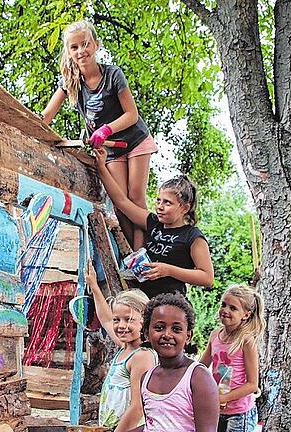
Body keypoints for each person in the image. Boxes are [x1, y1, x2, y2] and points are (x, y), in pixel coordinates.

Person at [41, 19, 158, 250]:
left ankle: (145, 252)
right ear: (69, 52)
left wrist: (105, 129)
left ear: (96, 45)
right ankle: (135, 254)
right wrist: (32, 125)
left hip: (134, 141)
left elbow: (132, 115)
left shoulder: (113, 75)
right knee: (119, 202)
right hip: (111, 149)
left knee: (135, 197)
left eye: (85, 44)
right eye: (74, 47)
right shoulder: (71, 82)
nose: (81, 51)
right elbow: (46, 115)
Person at [95, 146, 214, 300]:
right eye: (158, 200)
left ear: (185, 208)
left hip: (170, 304)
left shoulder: (192, 236)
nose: (160, 206)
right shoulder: (152, 222)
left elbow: (207, 278)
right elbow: (121, 201)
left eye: (167, 203)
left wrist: (168, 270)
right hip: (142, 299)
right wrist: (101, 167)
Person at [126, 293, 219, 432]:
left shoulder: (198, 377)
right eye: (159, 327)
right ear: (146, 333)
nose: (167, 335)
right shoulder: (147, 378)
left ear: (188, 336)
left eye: (176, 329)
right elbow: (154, 424)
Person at [86, 264, 157, 429]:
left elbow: (137, 407)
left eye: (129, 319)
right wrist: (94, 286)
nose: (121, 325)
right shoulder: (126, 347)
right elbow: (106, 319)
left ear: (144, 320)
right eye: (117, 319)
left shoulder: (142, 356)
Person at [199, 285, 265, 432]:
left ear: (246, 315)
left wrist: (223, 398)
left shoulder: (246, 341)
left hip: (239, 413)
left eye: (233, 308)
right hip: (217, 410)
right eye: (223, 305)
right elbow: (201, 367)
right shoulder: (215, 335)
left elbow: (253, 384)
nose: (225, 310)